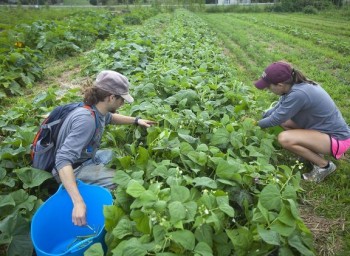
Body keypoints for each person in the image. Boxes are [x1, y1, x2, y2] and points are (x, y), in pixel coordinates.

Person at [52, 70, 156, 226]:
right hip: (72, 168)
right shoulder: (86, 120)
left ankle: (93, 177)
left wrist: (137, 120)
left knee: (113, 155)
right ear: (111, 97)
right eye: (122, 99)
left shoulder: (96, 109)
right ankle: (76, 190)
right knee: (122, 181)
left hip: (86, 157)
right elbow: (62, 160)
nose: (123, 103)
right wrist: (78, 202)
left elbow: (110, 118)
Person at [254, 61, 350, 183]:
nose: (267, 89)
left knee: (285, 138)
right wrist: (263, 116)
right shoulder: (294, 85)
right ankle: (315, 152)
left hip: (338, 139)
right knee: (286, 122)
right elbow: (278, 108)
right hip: (323, 132)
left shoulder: (299, 94)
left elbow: (276, 118)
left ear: (279, 85)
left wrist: (256, 124)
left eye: (268, 86)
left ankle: (324, 166)